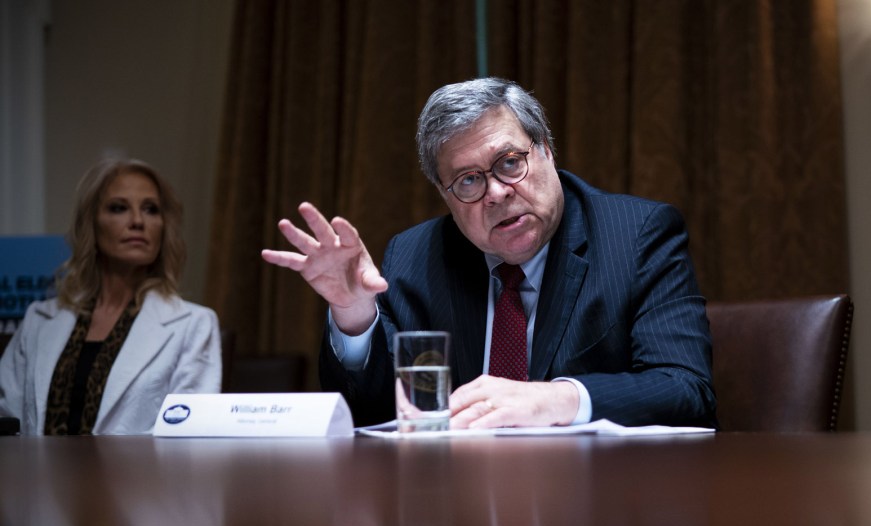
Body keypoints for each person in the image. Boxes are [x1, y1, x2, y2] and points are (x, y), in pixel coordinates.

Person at [262, 77, 716, 429]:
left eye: (509, 163)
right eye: (469, 181)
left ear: (547, 153)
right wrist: (354, 314)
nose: (496, 193)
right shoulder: (416, 256)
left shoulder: (636, 236)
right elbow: (376, 412)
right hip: (455, 514)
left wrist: (555, 399)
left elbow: (686, 390)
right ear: (446, 196)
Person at [0, 158, 222, 435]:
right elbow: (7, 422)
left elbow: (187, 437)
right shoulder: (39, 319)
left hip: (140, 479)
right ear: (91, 223)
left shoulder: (194, 324)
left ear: (164, 226)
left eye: (151, 210)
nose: (138, 221)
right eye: (119, 208)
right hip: (33, 477)